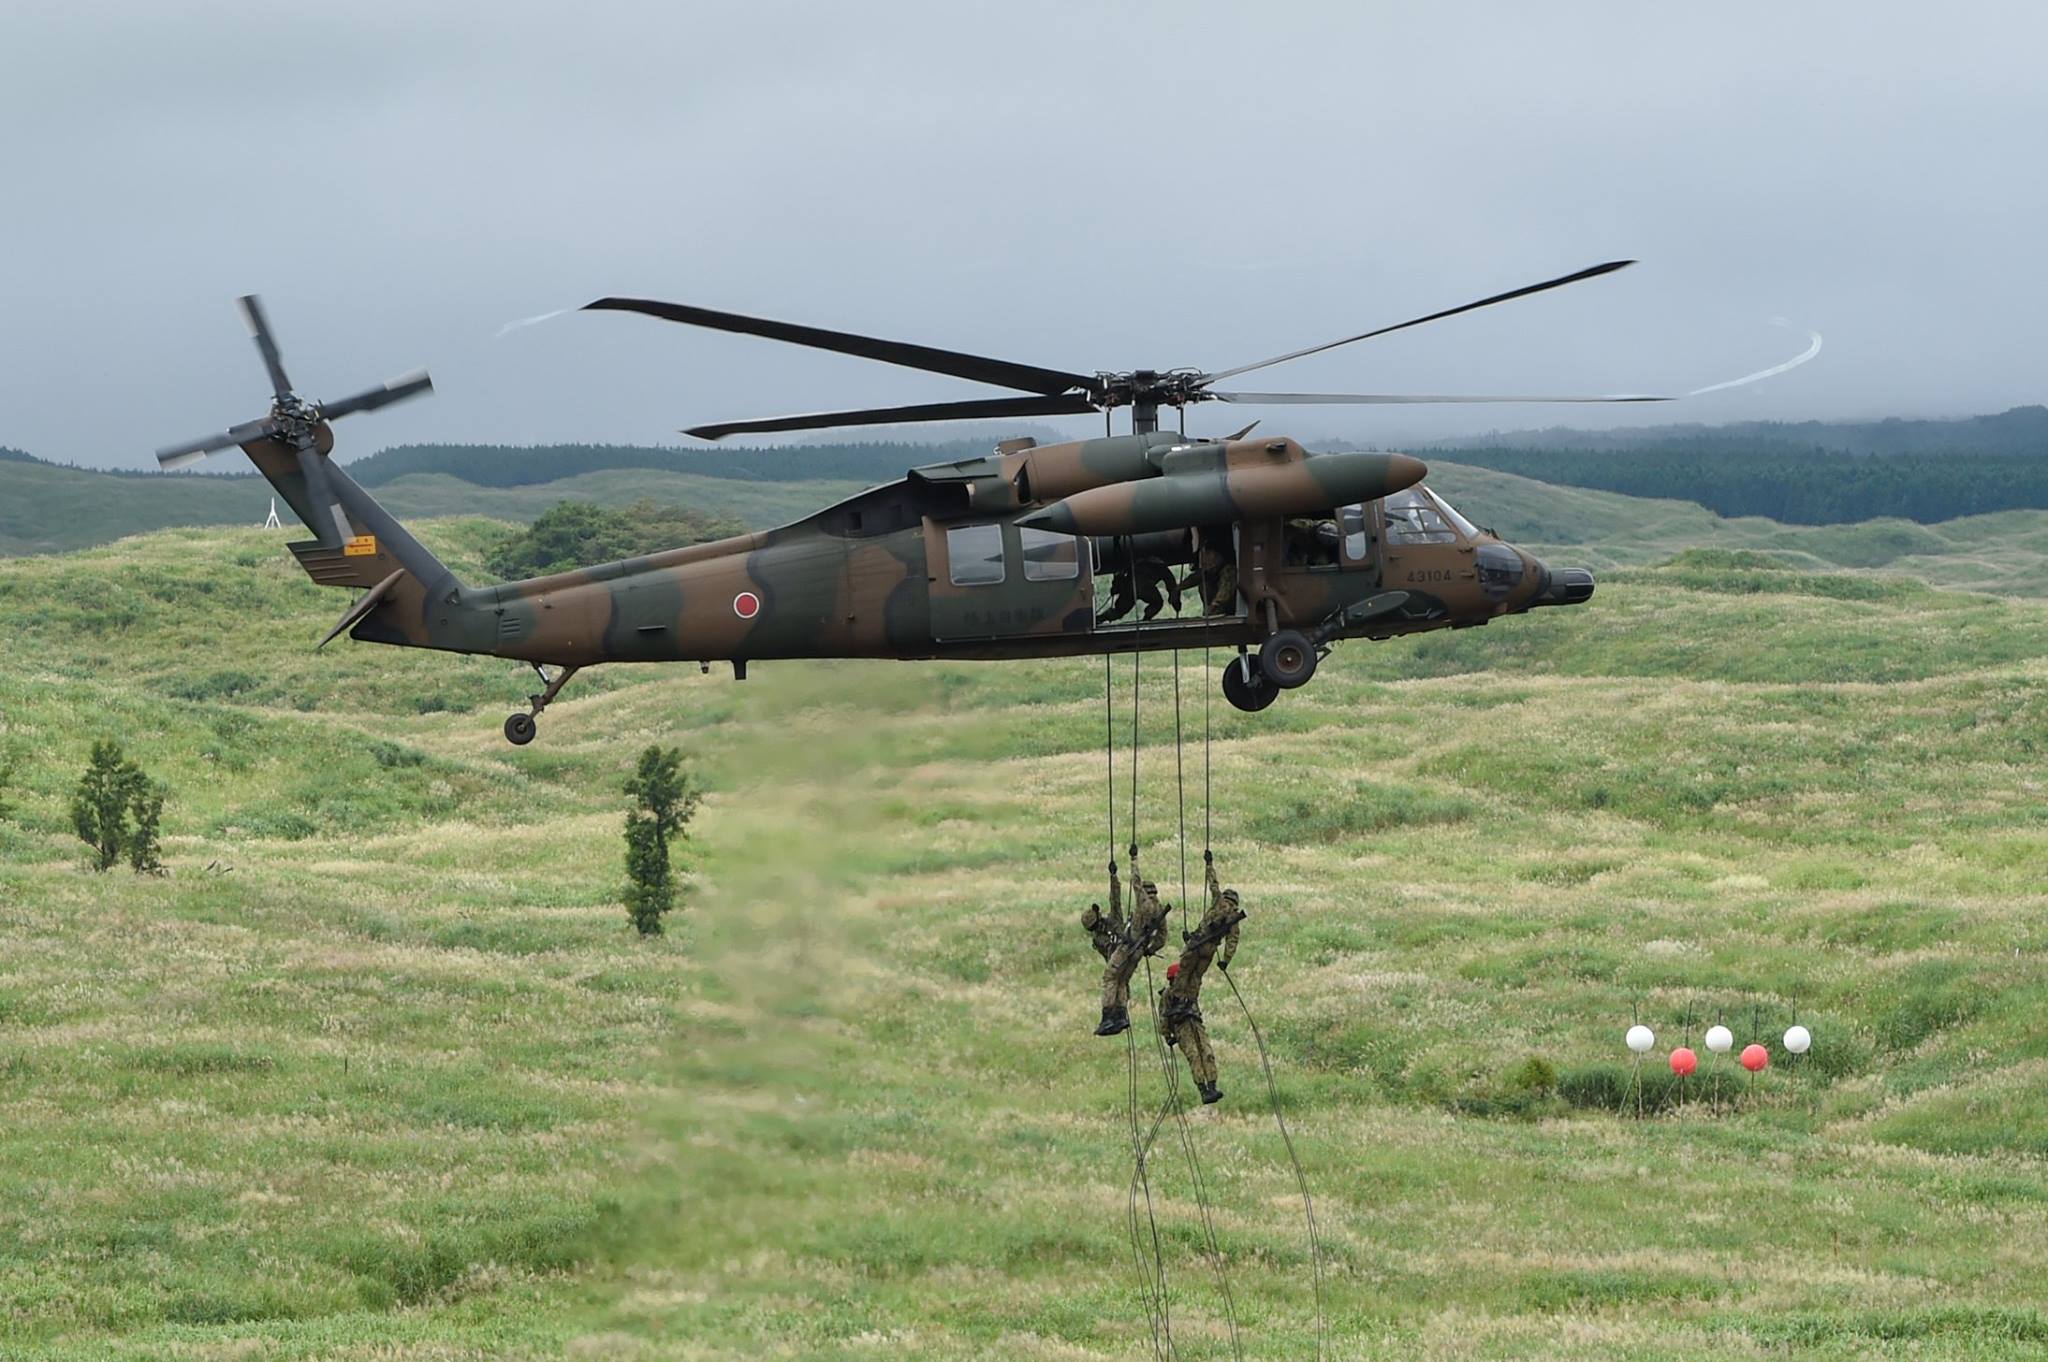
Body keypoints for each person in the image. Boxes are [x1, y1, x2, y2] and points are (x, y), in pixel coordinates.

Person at [1157, 852, 1245, 1103]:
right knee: (1204, 1052)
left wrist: (1209, 864)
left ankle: (1207, 1089)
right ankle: (1210, 1087)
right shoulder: (1232, 918)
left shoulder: (1218, 902)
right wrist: (1225, 960)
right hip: (1206, 953)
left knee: (1199, 1053)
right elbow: (1232, 941)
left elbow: (1212, 882)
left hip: (1197, 948)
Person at [1096, 850, 1170, 1036]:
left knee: (1110, 977)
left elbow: (1135, 880)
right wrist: (1150, 949)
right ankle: (1121, 1015)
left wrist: (1133, 859)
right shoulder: (1159, 910)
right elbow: (1162, 937)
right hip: (1138, 951)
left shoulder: (1144, 902)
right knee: (1122, 981)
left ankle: (1107, 1017)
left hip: (1127, 946)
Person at [1180, 534, 1238, 617]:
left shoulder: (1229, 571)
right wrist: (1177, 589)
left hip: (1226, 615)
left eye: (1208, 553)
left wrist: (1214, 606)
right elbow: (1195, 578)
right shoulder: (1209, 573)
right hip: (1212, 615)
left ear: (1218, 555)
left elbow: (1224, 594)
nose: (1205, 559)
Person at [1080, 861, 1123, 963]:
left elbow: (1115, 899)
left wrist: (1113, 876)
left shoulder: (1111, 921)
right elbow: (1113, 952)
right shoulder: (1099, 939)